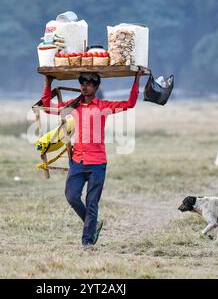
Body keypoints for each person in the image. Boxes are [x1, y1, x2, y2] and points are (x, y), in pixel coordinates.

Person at [41, 68, 145, 248]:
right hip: (77, 161)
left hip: (97, 163)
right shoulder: (73, 106)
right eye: (82, 83)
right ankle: (93, 223)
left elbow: (130, 103)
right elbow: (47, 107)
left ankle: (87, 242)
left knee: (91, 203)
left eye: (89, 84)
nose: (84, 86)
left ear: (96, 87)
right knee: (72, 196)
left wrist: (136, 79)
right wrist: (48, 84)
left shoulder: (104, 107)